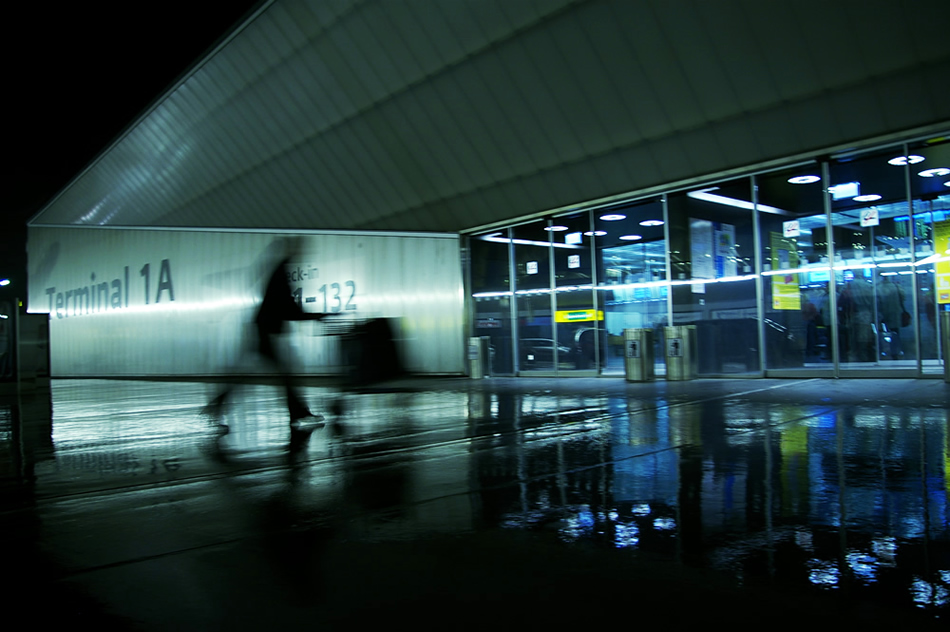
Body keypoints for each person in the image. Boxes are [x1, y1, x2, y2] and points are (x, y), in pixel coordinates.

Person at [204, 238, 332, 454]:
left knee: (262, 375)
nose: (303, 252)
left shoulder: (280, 269)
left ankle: (217, 406)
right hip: (266, 332)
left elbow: (286, 308)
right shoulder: (282, 271)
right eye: (300, 248)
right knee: (284, 374)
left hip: (264, 330)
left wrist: (313, 315)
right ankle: (298, 413)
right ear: (292, 249)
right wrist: (318, 315)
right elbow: (288, 309)